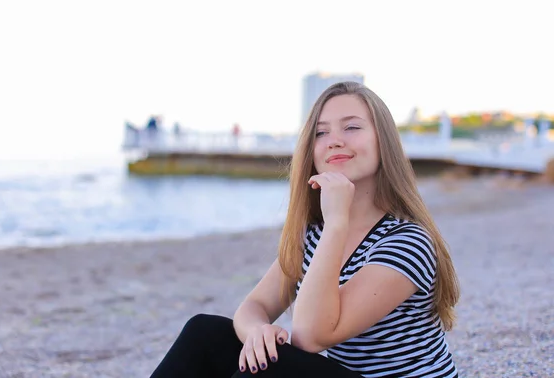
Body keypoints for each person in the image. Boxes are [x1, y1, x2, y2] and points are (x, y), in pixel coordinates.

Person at [149, 82, 460, 377]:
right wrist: (257, 332)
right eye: (321, 132)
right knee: (206, 333)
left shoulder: (407, 241)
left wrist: (337, 223)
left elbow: (311, 337)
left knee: (273, 368)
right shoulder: (313, 234)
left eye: (351, 127)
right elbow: (254, 306)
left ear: (384, 140)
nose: (335, 140)